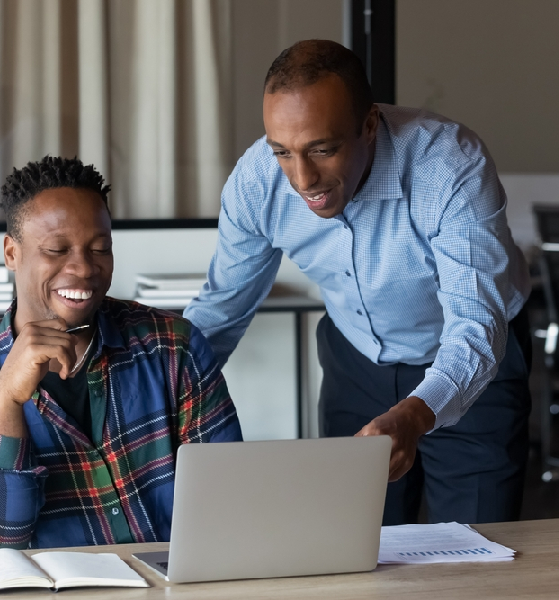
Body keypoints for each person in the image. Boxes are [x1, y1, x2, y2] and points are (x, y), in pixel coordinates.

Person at [184, 40, 532, 525]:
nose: (302, 179)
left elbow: (475, 326)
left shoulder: (449, 165)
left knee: (474, 547)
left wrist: (416, 413)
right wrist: (151, 395)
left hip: (475, 367)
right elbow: (221, 310)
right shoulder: (258, 181)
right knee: (356, 543)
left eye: (322, 149)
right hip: (355, 366)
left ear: (368, 125)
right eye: (282, 151)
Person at [0, 156, 242, 551]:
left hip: (172, 580)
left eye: (100, 248)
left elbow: (232, 498)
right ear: (11, 253)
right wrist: (4, 401)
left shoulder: (173, 347)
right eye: (57, 249)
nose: (84, 268)